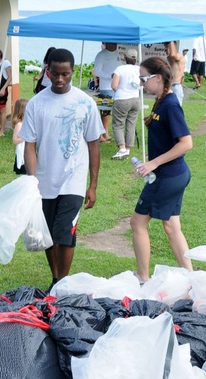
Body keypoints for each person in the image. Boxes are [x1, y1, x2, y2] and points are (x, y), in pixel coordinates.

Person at [22, 48, 104, 287]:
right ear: (47, 71)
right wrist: (32, 180)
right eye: (55, 73)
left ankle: (61, 283)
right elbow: (30, 145)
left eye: (65, 74)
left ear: (72, 72)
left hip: (73, 179)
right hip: (45, 181)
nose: (59, 79)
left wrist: (93, 185)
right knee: (47, 237)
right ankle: (56, 278)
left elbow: (93, 145)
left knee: (66, 234)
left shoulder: (85, 103)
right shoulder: (37, 104)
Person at [130, 57, 194, 282]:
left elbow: (186, 143)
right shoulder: (161, 100)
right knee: (172, 225)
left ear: (157, 78)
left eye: (143, 78)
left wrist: (154, 163)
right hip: (173, 174)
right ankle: (191, 277)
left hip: (167, 176)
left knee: (137, 222)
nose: (140, 83)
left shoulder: (170, 104)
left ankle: (143, 278)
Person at [109, 50, 141, 160]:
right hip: (136, 99)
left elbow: (114, 85)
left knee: (118, 124)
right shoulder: (138, 69)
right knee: (131, 124)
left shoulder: (120, 69)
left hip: (122, 99)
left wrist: (119, 90)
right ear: (136, 58)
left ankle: (122, 148)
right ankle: (128, 148)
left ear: (124, 57)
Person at [11, 98, 28, 174]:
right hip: (22, 151)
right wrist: (26, 137)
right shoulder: (19, 125)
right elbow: (15, 140)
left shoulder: (26, 123)